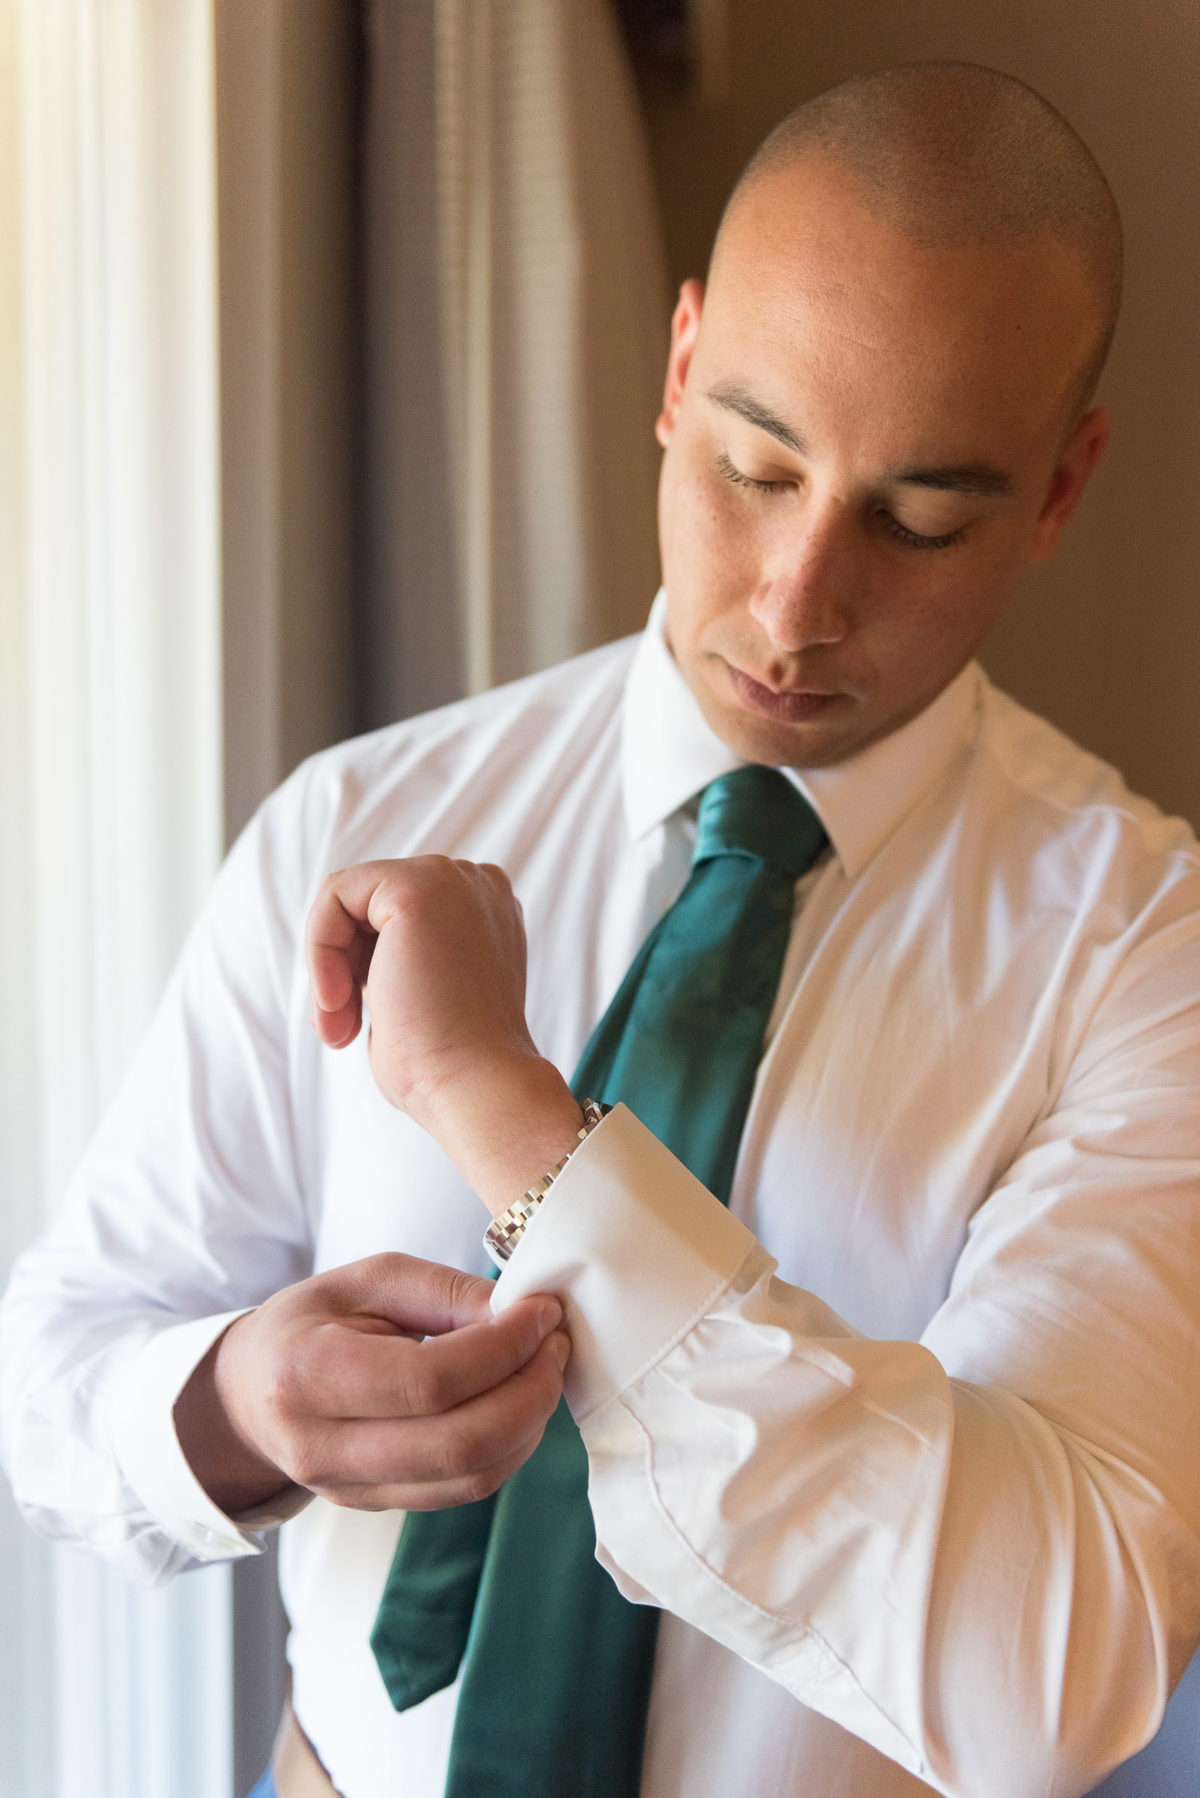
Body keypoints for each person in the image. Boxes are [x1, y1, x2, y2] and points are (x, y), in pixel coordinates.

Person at [3, 58, 1200, 1798]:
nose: (798, 600)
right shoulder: (353, 821)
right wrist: (237, 1406)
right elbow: (54, 1377)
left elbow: (1046, 1678)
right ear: (673, 364)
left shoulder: (1144, 953)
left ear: (1062, 489)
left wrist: (499, 1103)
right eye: (753, 462)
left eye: (919, 519)